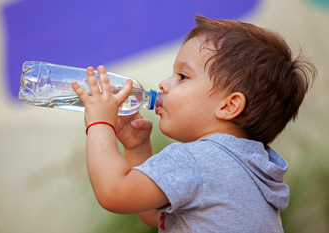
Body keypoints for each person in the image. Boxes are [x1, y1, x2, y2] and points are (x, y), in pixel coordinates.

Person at [72, 15, 316, 232]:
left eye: (182, 76)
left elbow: (115, 194)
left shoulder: (199, 158)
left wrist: (99, 122)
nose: (164, 84)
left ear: (229, 106)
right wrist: (137, 149)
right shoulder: (249, 165)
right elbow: (152, 212)